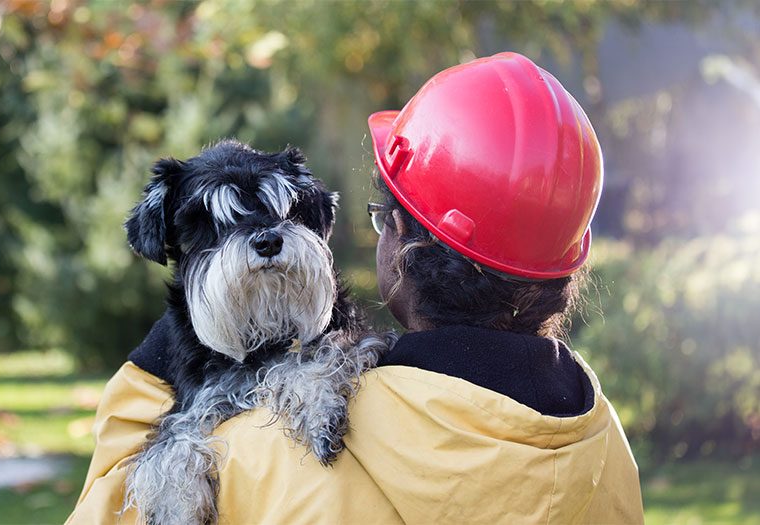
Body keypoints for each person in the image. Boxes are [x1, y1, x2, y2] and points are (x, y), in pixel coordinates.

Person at [67, 52, 643, 524]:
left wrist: (156, 362)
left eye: (378, 216)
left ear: (402, 242)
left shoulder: (252, 457)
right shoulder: (607, 445)